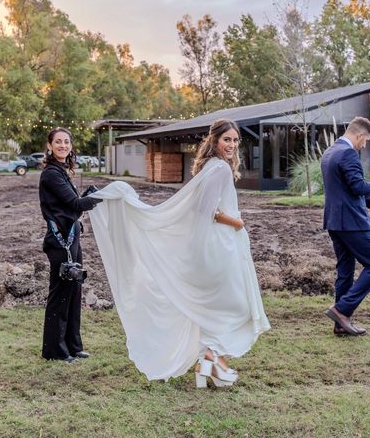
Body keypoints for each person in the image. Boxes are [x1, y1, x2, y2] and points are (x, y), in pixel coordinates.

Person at [88, 119, 270, 387]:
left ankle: (208, 366)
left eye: (235, 140)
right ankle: (210, 360)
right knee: (231, 305)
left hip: (216, 244)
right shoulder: (218, 169)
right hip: (217, 247)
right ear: (215, 141)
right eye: (226, 140)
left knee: (215, 305)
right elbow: (206, 210)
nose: (231, 145)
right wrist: (237, 222)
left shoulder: (211, 166)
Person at [321, 117, 370, 336]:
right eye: (365, 141)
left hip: (335, 222)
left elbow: (344, 191)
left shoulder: (330, 152)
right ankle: (341, 310)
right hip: (353, 223)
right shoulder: (347, 153)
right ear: (359, 135)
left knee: (345, 271)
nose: (364, 145)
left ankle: (340, 324)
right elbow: (357, 186)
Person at [39, 128, 100, 363]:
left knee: (74, 293)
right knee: (61, 295)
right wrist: (105, 195)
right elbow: (76, 204)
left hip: (72, 238)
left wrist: (89, 194)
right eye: (58, 142)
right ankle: (55, 350)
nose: (63, 145)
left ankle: (73, 346)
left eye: (66, 142)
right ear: (50, 146)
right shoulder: (52, 174)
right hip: (59, 242)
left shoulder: (62, 171)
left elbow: (71, 207)